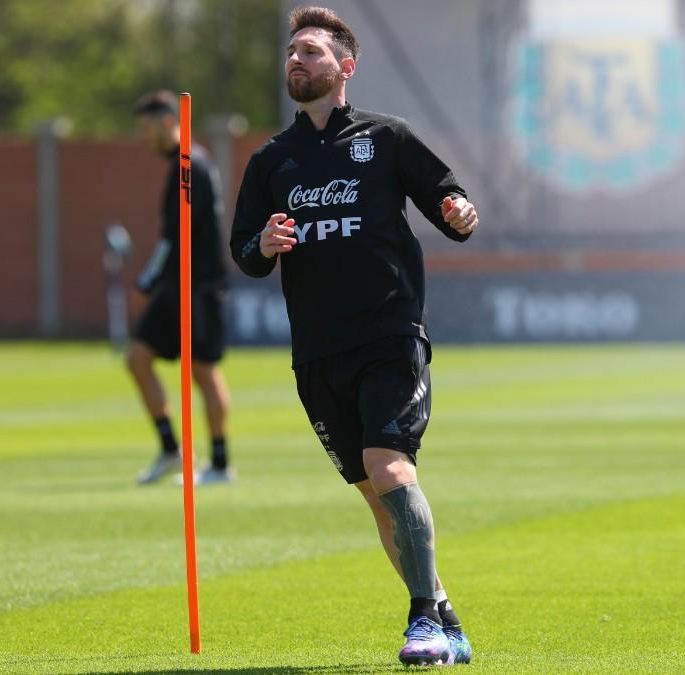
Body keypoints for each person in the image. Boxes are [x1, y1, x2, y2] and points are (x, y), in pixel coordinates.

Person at [230, 7, 478, 667]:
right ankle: (447, 618)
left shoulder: (386, 138)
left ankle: (421, 620)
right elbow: (243, 252)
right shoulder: (272, 160)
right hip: (316, 352)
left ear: (347, 66)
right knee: (376, 495)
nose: (297, 61)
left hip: (390, 334)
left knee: (389, 467)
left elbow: (450, 203)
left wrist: (459, 212)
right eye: (291, 52)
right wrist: (264, 242)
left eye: (311, 51)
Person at [128, 90, 234, 487]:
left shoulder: (191, 165)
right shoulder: (182, 163)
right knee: (138, 357)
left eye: (148, 127)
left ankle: (220, 464)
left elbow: (176, 235)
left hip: (199, 285)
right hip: (178, 285)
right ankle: (172, 450)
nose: (146, 136)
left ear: (169, 121)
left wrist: (145, 281)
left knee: (204, 371)